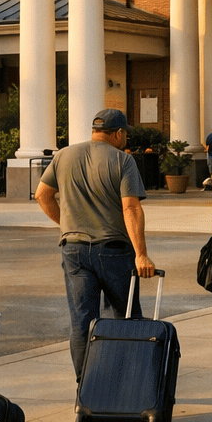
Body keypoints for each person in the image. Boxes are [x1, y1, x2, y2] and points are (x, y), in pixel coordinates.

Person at [34, 108, 155, 380]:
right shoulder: (123, 161)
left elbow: (42, 195)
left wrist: (68, 224)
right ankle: (126, 383)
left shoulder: (63, 155)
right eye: (125, 134)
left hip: (74, 249)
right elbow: (131, 208)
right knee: (125, 318)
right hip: (113, 249)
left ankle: (86, 385)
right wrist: (141, 254)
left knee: (81, 322)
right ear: (119, 133)